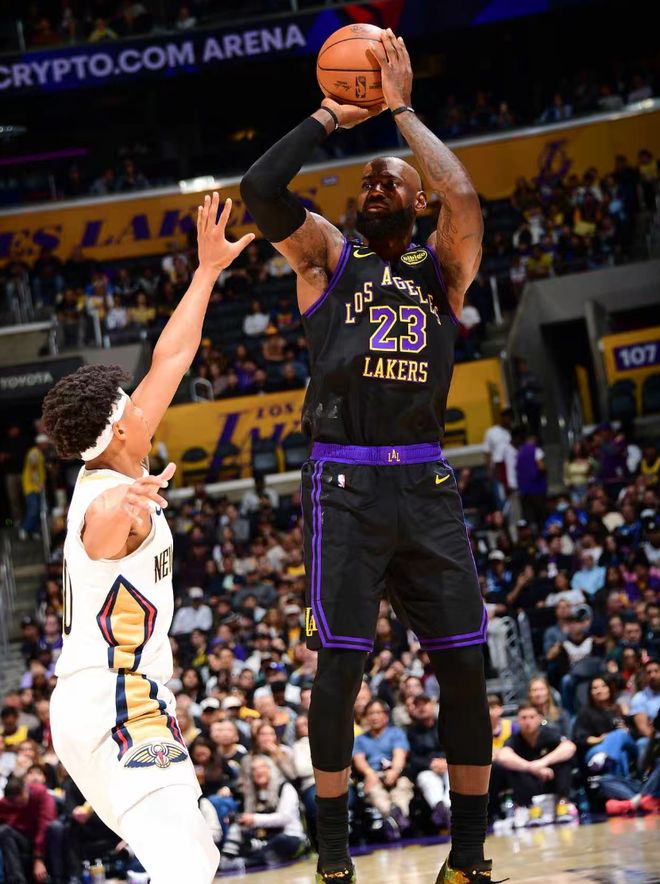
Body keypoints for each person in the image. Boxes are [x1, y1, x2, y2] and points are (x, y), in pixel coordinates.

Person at [241, 28, 492, 884]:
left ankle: (467, 859)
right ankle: (335, 859)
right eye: (366, 181)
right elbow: (259, 188)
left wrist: (403, 113)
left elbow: (464, 195)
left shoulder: (443, 267)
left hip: (424, 477)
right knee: (339, 669)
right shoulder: (326, 255)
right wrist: (328, 116)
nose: (374, 185)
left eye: (390, 180)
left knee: (465, 668)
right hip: (343, 478)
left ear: (416, 201)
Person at [41, 193, 253, 884]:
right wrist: (125, 506)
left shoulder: (119, 453)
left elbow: (175, 354)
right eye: (132, 404)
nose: (144, 402)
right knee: (187, 862)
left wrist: (207, 271)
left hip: (108, 700)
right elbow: (100, 531)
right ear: (120, 429)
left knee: (192, 853)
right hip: (114, 699)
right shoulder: (109, 501)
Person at [495, 703, 577, 827]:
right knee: (512, 767)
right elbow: (503, 756)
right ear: (518, 720)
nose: (528, 722)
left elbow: (570, 747)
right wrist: (530, 767)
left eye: (532, 717)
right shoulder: (515, 739)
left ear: (539, 718)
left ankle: (562, 805)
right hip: (528, 784)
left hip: (551, 779)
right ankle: (531, 808)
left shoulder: (549, 733)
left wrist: (542, 763)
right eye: (523, 718)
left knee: (564, 763)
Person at [353, 699, 414, 839]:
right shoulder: (360, 739)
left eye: (378, 712)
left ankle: (395, 817)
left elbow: (400, 754)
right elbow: (359, 760)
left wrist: (395, 771)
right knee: (375, 792)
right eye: (371, 713)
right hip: (373, 774)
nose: (374, 717)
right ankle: (395, 817)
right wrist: (369, 773)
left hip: (396, 773)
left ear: (386, 715)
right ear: (366, 717)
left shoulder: (396, 733)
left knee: (401, 789)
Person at [573, 676, 636, 776]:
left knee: (620, 734)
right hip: (597, 749)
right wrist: (600, 739)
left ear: (610, 688)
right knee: (621, 755)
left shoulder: (620, 708)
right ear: (590, 692)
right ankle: (622, 784)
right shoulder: (585, 712)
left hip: (624, 746)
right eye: (595, 688)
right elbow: (580, 739)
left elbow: (635, 733)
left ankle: (606, 755)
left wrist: (626, 728)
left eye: (603, 686)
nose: (599, 691)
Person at [18, 434, 49, 541]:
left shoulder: (39, 453)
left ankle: (35, 530)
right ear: (40, 444)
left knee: (39, 509)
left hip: (38, 487)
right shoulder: (33, 453)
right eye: (45, 444)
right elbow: (33, 469)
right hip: (31, 486)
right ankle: (24, 529)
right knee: (34, 508)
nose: (46, 446)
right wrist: (38, 483)